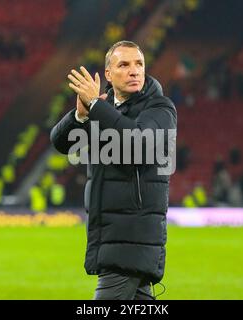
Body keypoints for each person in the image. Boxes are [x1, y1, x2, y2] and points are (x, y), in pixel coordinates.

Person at [50, 40, 177, 300]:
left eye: (139, 64)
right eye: (124, 64)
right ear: (108, 74)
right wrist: (81, 115)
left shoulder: (160, 108)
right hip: (113, 236)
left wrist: (97, 107)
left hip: (130, 241)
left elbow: (138, 145)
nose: (134, 70)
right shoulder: (105, 109)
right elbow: (60, 142)